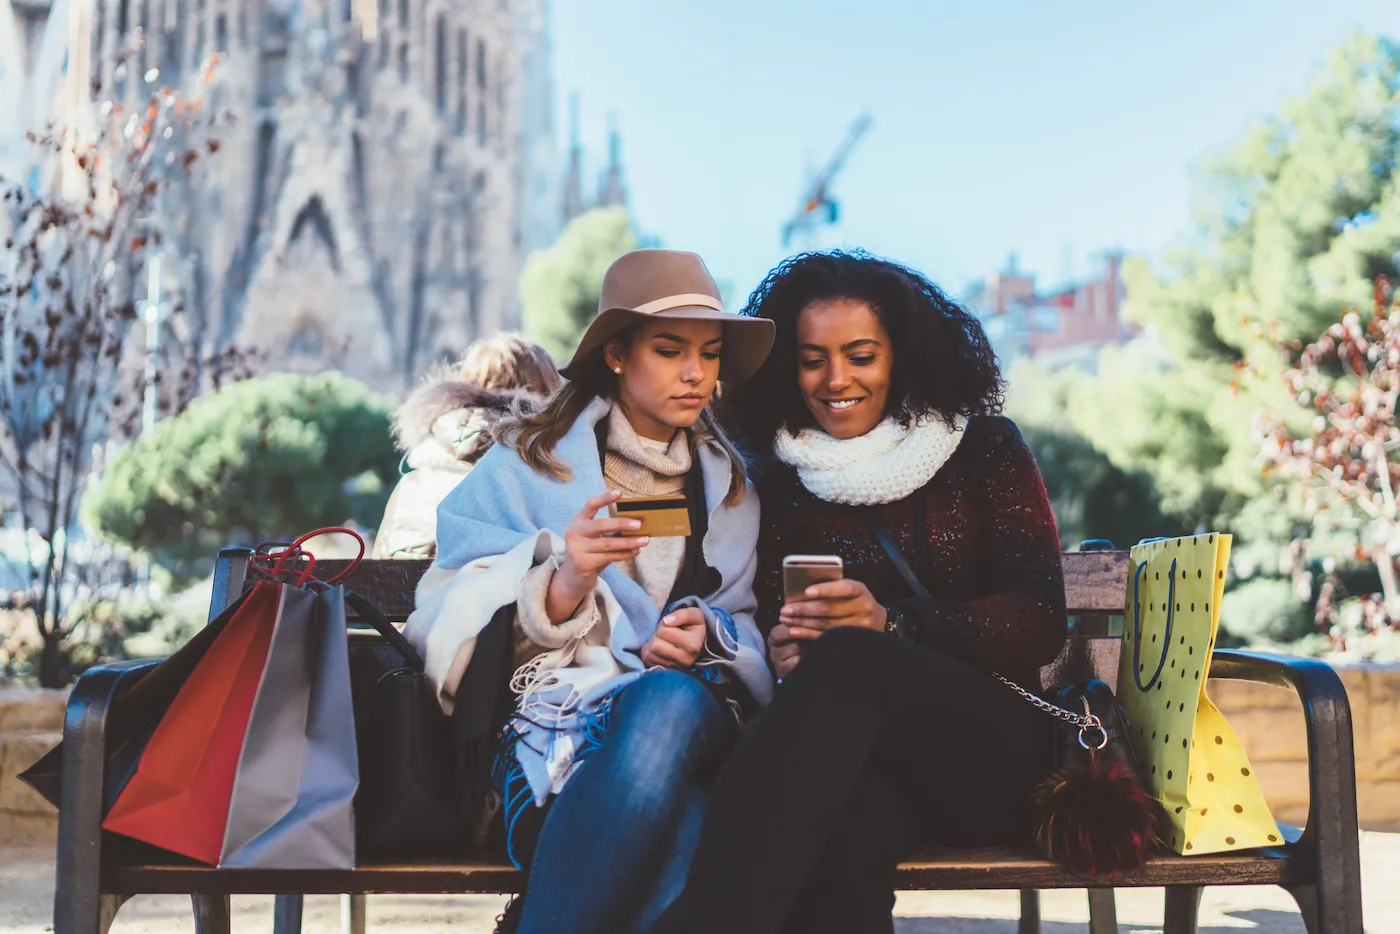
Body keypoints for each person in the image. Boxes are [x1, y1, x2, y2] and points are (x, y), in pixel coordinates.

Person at [654, 251, 1068, 934]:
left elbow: (1041, 619)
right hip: (854, 763)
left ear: (901, 357)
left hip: (993, 755)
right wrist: (781, 654)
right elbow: (764, 624)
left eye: (861, 354)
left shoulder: (982, 449)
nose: (836, 379)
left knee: (851, 659)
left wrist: (894, 628)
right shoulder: (777, 480)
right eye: (813, 358)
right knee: (846, 826)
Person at [402, 250, 777, 934]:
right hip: (548, 750)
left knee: (668, 699)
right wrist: (562, 583)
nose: (696, 373)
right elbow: (442, 616)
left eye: (710, 353)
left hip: (683, 731)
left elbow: (743, 625)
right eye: (669, 350)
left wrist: (708, 635)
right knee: (687, 831)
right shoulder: (524, 462)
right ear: (614, 354)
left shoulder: (731, 490)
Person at [372, 332, 562, 558]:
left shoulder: (414, 482)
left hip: (404, 592)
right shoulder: (543, 479)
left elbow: (381, 561)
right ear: (549, 395)